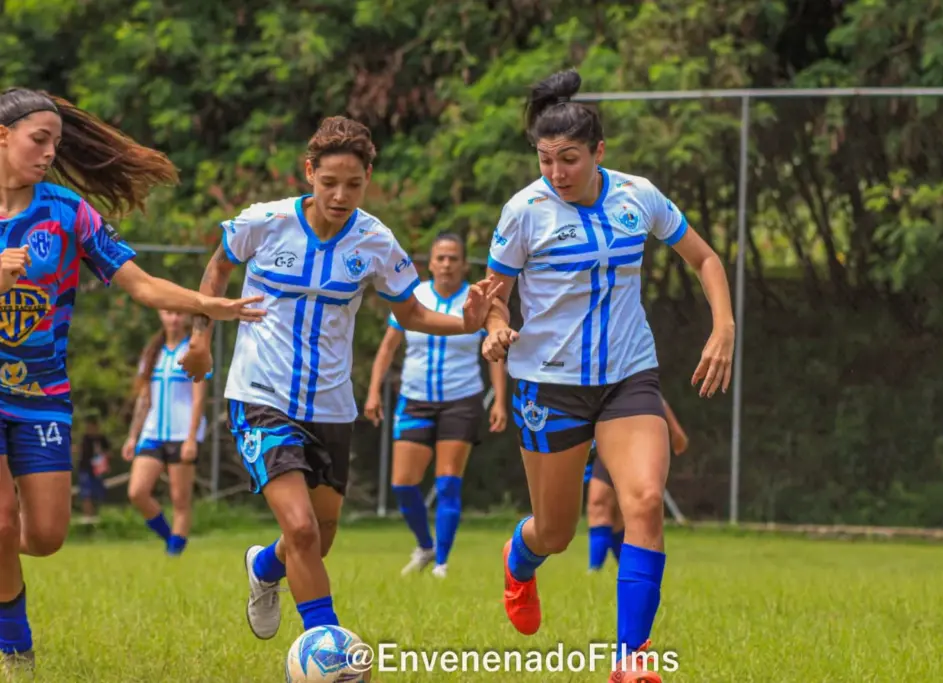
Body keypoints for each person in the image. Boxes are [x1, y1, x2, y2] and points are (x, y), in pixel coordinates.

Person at [178, 115, 501, 644]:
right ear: (309, 172)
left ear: (368, 178)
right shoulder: (264, 222)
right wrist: (199, 336)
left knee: (319, 536)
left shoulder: (376, 241)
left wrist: (467, 322)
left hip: (331, 405)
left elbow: (413, 314)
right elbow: (216, 270)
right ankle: (327, 651)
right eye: (329, 182)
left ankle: (264, 568)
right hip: (261, 395)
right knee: (301, 528)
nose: (341, 194)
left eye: (354, 184)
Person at [480, 70, 735, 682]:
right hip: (548, 385)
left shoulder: (637, 196)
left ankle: (631, 660)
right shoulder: (523, 212)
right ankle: (520, 560)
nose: (556, 172)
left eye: (569, 159)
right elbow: (495, 296)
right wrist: (495, 328)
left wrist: (723, 327)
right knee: (556, 531)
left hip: (628, 377)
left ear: (599, 152)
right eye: (545, 160)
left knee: (643, 502)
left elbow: (704, 258)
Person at [0, 87, 266, 673]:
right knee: (0, 517)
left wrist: (208, 304)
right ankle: (15, 647)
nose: (48, 153)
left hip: (42, 393)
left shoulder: (69, 212)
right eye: (37, 140)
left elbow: (141, 285)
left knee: (43, 535)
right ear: (3, 137)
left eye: (56, 144)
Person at [364, 233, 509, 579]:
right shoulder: (415, 297)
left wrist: (500, 399)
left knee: (447, 483)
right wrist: (372, 392)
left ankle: (441, 562)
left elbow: (494, 352)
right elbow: (388, 348)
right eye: (440, 258)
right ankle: (425, 545)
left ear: (463, 264)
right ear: (430, 263)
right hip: (415, 399)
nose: (446, 264)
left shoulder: (474, 300)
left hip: (461, 400)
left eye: (453, 258)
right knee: (402, 483)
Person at [121, 310, 208, 556]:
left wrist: (192, 438)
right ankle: (171, 538)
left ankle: (174, 554)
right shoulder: (152, 352)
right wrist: (132, 435)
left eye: (179, 313)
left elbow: (199, 398)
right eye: (169, 313)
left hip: (182, 434)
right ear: (160, 314)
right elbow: (144, 398)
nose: (174, 318)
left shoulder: (193, 350)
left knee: (180, 500)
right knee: (137, 491)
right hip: (152, 432)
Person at [586, 396, 688, 573]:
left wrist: (674, 428)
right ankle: (607, 568)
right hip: (603, 436)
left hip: (629, 435)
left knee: (611, 508)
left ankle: (614, 570)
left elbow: (651, 392)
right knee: (605, 508)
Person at [76, 415, 110, 522]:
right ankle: (88, 515)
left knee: (99, 492)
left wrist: (104, 460)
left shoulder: (101, 438)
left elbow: (108, 452)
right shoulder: (85, 438)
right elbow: (81, 452)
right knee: (86, 492)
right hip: (85, 468)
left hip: (98, 469)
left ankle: (98, 514)